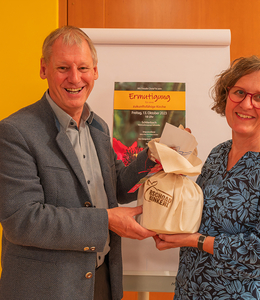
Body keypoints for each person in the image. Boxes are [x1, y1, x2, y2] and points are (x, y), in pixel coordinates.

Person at [0, 26, 156, 300]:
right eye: (63, 68)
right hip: (47, 289)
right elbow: (22, 220)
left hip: (101, 280)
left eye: (83, 67)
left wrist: (153, 156)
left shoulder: (99, 127)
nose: (75, 78)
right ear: (44, 69)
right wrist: (105, 220)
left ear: (95, 71)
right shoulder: (15, 132)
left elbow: (116, 187)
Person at [154, 56, 260, 299]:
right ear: (226, 96)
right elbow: (201, 218)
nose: (246, 104)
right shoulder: (218, 153)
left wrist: (196, 241)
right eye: (239, 92)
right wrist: (171, 167)